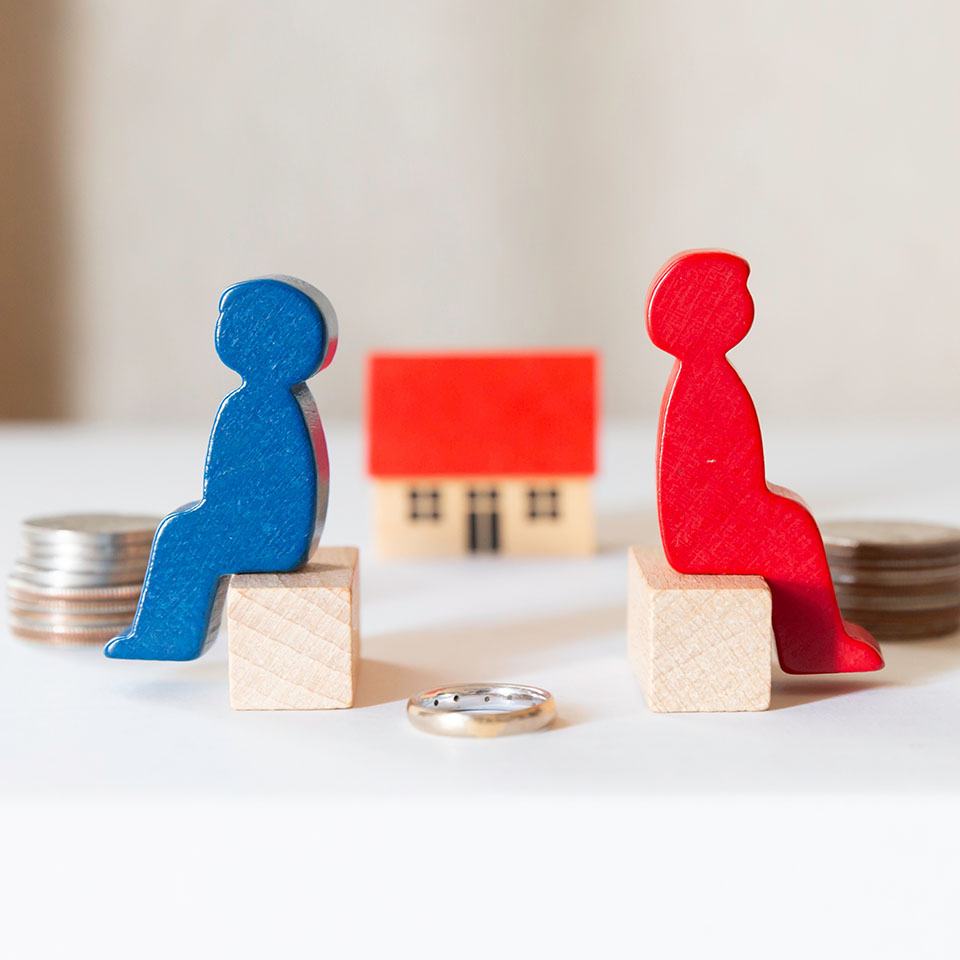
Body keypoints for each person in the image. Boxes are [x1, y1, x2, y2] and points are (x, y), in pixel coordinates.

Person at [647, 250, 883, 674]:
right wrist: (759, 506)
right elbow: (711, 477)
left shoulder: (706, 378)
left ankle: (817, 646)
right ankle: (817, 650)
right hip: (701, 532)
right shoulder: (704, 386)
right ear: (707, 312)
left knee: (794, 521)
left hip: (710, 517)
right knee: (793, 530)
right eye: (735, 295)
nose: (745, 304)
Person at [105, 276, 337, 661]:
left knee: (180, 536)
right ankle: (168, 637)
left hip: (272, 536)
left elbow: (228, 484)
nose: (222, 330)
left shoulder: (250, 405)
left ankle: (167, 640)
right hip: (280, 529)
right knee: (183, 528)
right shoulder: (287, 402)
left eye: (231, 322)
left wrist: (212, 514)